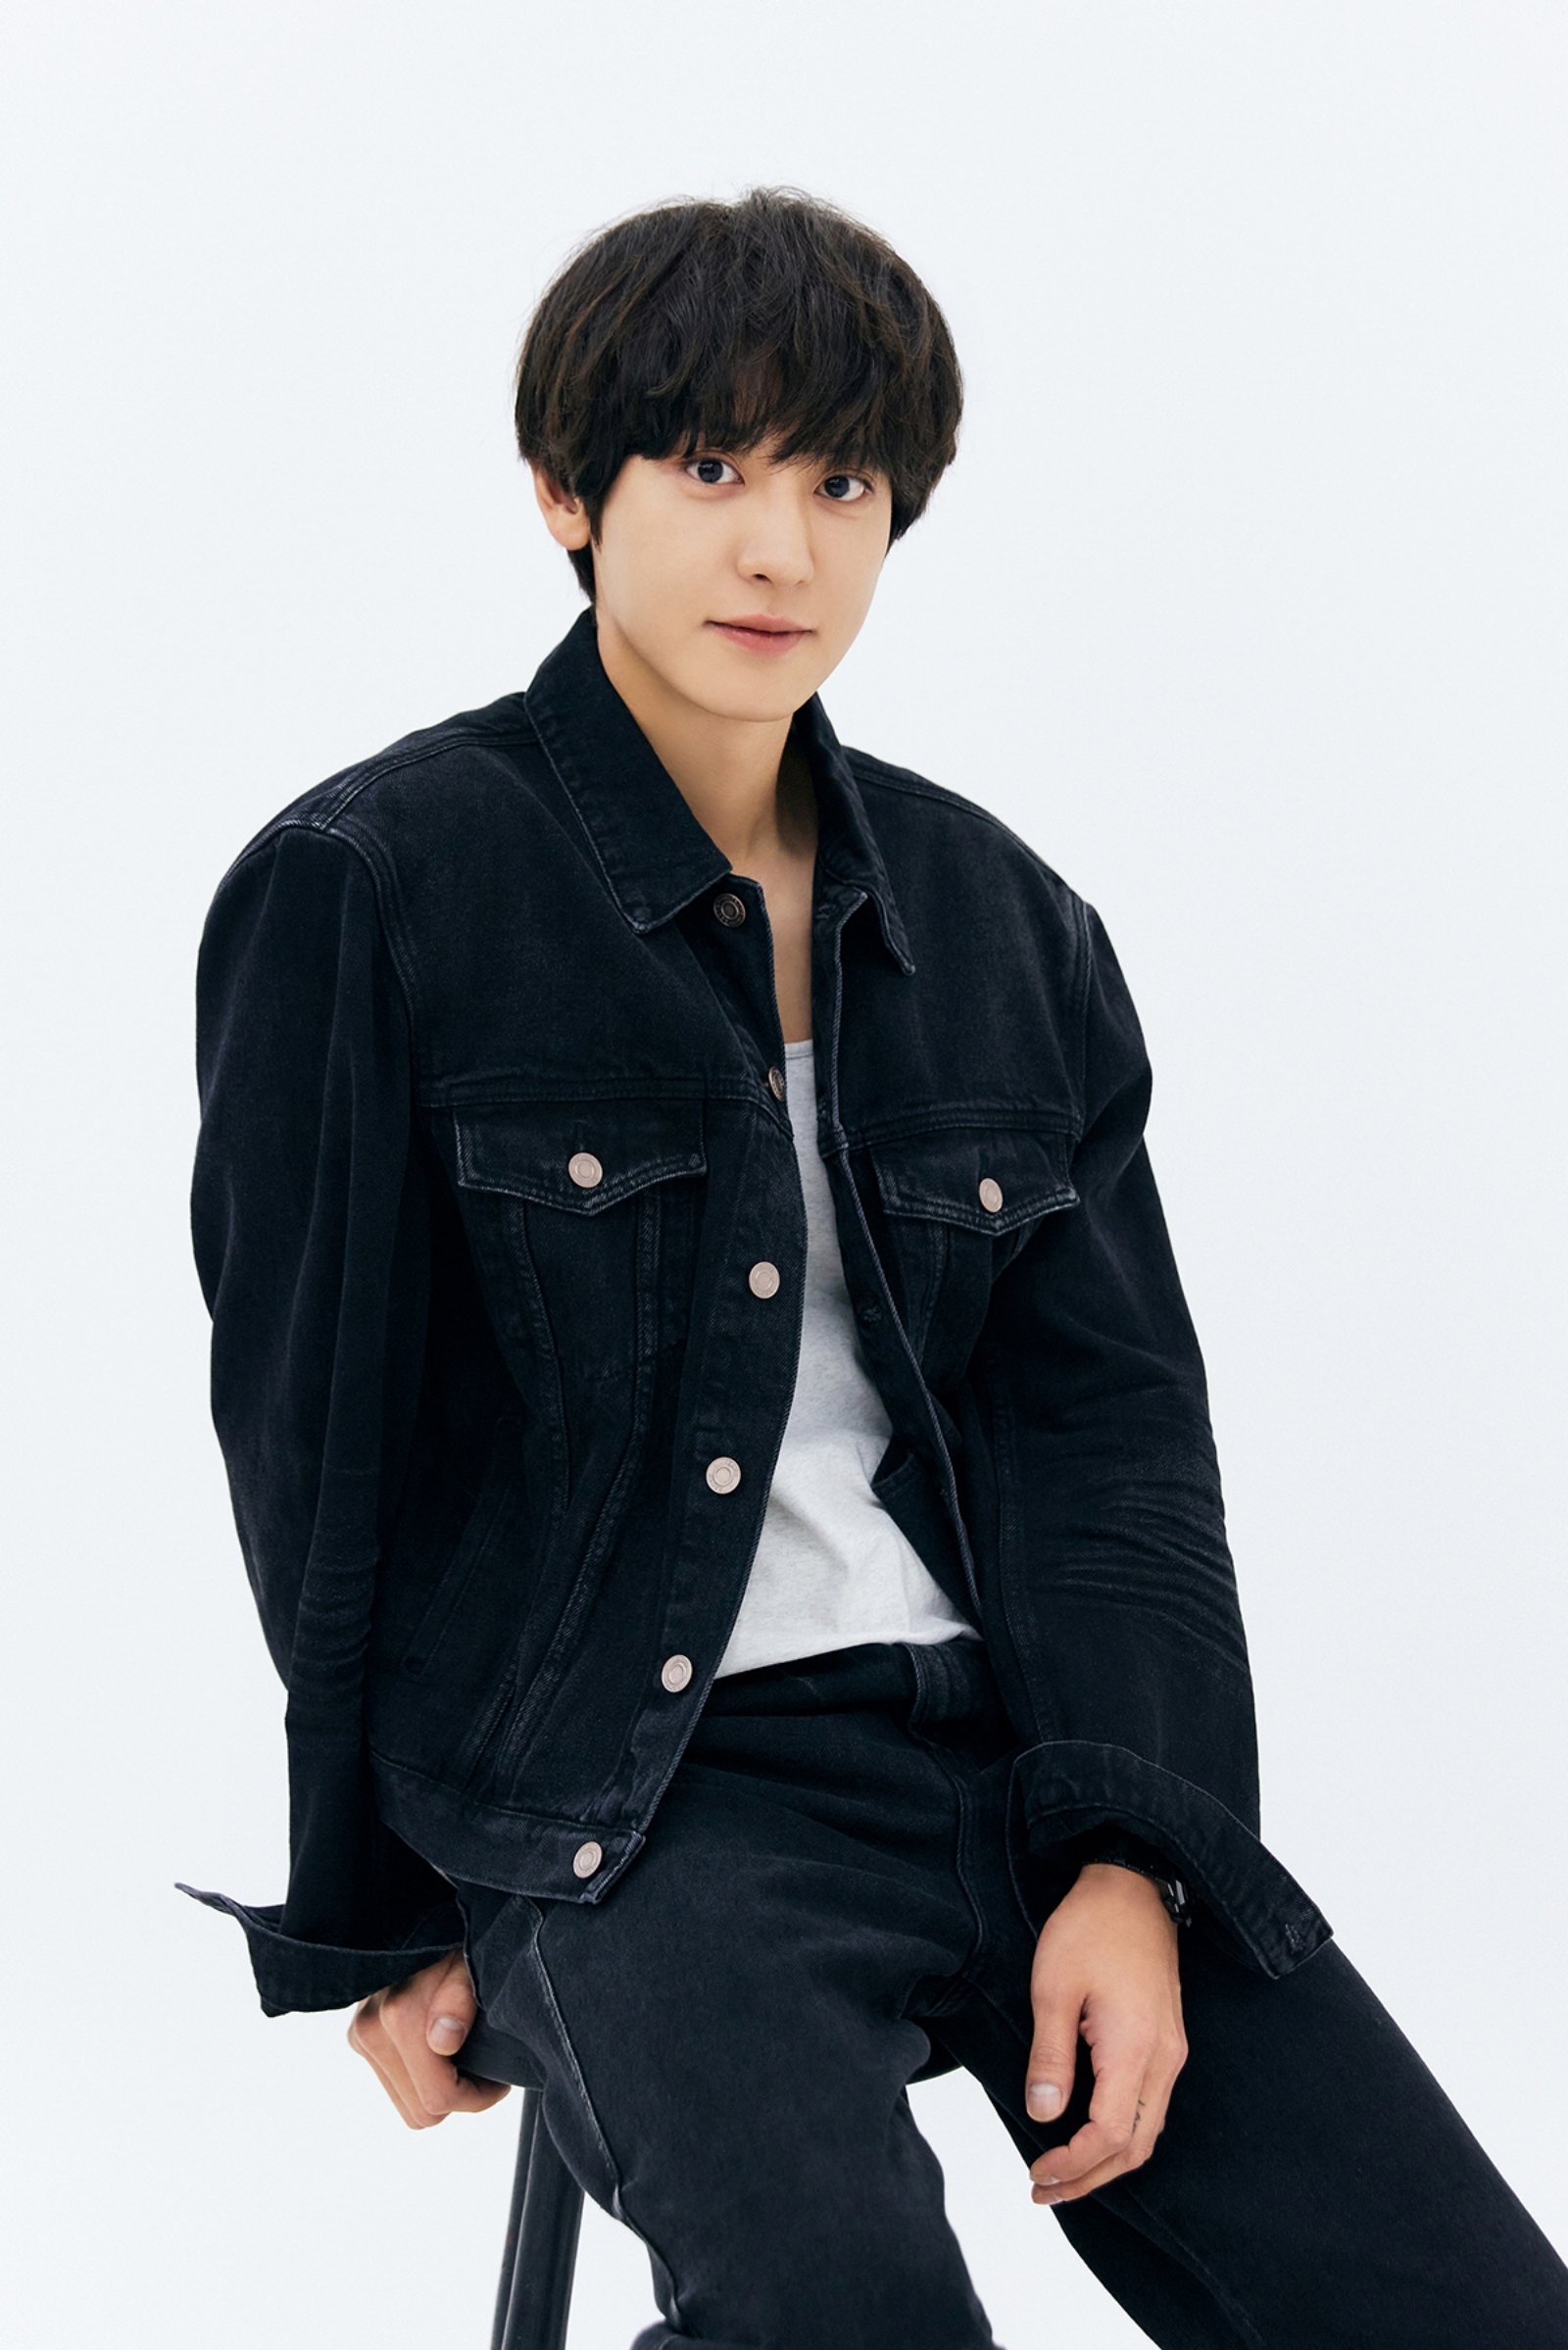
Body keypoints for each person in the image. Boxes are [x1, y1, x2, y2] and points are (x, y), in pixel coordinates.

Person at [176, 185, 1568, 2347]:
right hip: (645, 1808)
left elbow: (1114, 1449)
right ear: (564, 490)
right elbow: (317, 1447)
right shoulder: (374, 886)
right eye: (708, 467)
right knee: (852, 2312)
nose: (781, 549)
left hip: (1018, 1762)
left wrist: (1138, 1853)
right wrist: (392, 1912)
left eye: (840, 483)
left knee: (1468, 2306)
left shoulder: (1003, 924)